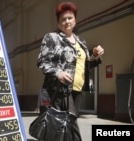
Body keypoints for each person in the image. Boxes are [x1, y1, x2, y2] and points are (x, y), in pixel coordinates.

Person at [37, 1, 104, 141]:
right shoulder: (52, 38)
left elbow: (84, 65)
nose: (66, 21)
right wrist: (57, 73)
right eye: (63, 19)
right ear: (58, 22)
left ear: (75, 20)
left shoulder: (81, 42)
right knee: (70, 124)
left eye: (70, 18)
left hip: (77, 91)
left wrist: (95, 56)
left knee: (63, 126)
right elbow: (42, 62)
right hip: (60, 89)